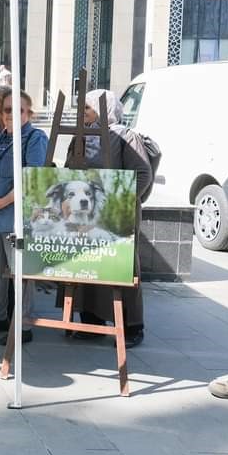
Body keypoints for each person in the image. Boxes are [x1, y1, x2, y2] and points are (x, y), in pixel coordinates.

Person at [62, 88, 151, 348]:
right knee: (87, 264)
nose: (82, 113)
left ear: (104, 109)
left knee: (121, 268)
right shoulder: (81, 136)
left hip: (116, 215)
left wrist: (118, 201)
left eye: (87, 108)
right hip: (85, 216)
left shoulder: (125, 136)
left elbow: (142, 174)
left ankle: (132, 326)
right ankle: (92, 323)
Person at [0, 89, 48, 344]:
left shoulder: (35, 139)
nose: (11, 114)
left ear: (29, 113)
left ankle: (23, 325)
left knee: (19, 272)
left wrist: (1, 202)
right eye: (6, 110)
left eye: (18, 110)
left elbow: (32, 179)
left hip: (14, 218)